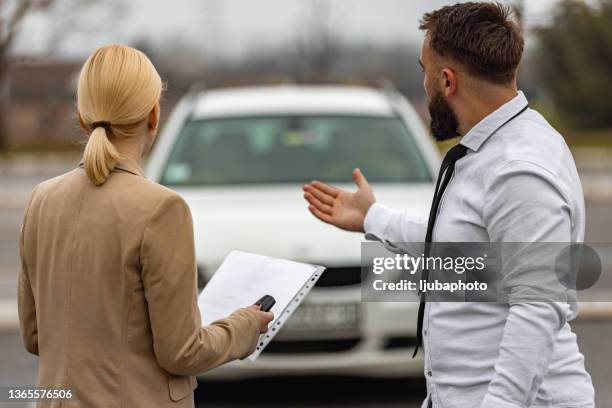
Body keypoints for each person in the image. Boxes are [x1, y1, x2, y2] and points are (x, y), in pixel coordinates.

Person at [303, 3, 594, 408]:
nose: (423, 85)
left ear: (446, 80)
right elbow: (465, 254)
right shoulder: (490, 150)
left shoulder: (519, 171)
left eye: (423, 72)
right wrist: (373, 217)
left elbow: (537, 306)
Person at [17, 44, 273, 407]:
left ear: (82, 115)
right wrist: (245, 326)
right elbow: (182, 352)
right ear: (153, 115)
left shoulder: (40, 199)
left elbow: (33, 336)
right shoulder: (161, 208)